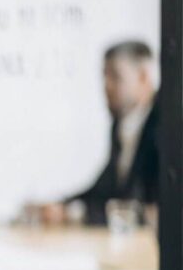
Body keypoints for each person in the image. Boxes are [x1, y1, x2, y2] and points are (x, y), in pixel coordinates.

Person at [37, 40, 159, 226]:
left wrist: (75, 214)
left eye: (116, 77)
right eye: (104, 76)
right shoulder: (121, 125)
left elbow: (142, 207)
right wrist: (64, 206)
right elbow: (105, 189)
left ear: (143, 77)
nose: (107, 86)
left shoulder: (166, 126)